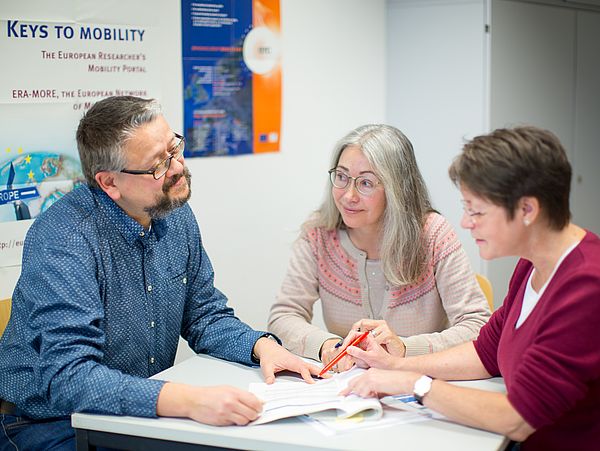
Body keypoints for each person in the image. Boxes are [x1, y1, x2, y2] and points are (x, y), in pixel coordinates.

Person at [0, 96, 321, 449]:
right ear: (109, 183)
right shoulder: (64, 240)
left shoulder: (172, 211)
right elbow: (70, 380)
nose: (177, 167)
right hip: (45, 423)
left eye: (174, 148)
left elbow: (203, 315)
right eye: (158, 165)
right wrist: (189, 401)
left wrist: (263, 348)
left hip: (131, 415)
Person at [342, 126, 600, 450]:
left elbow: (517, 418)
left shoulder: (587, 286)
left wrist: (415, 384)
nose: (465, 222)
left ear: (527, 210)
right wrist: (396, 364)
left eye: (476, 210)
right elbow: (485, 352)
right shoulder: (532, 265)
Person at [268, 124, 490, 371]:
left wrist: (404, 349)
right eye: (341, 177)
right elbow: (283, 316)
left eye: (366, 183)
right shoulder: (318, 236)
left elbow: (477, 325)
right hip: (348, 389)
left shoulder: (434, 234)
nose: (348, 195)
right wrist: (330, 346)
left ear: (398, 189)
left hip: (420, 383)